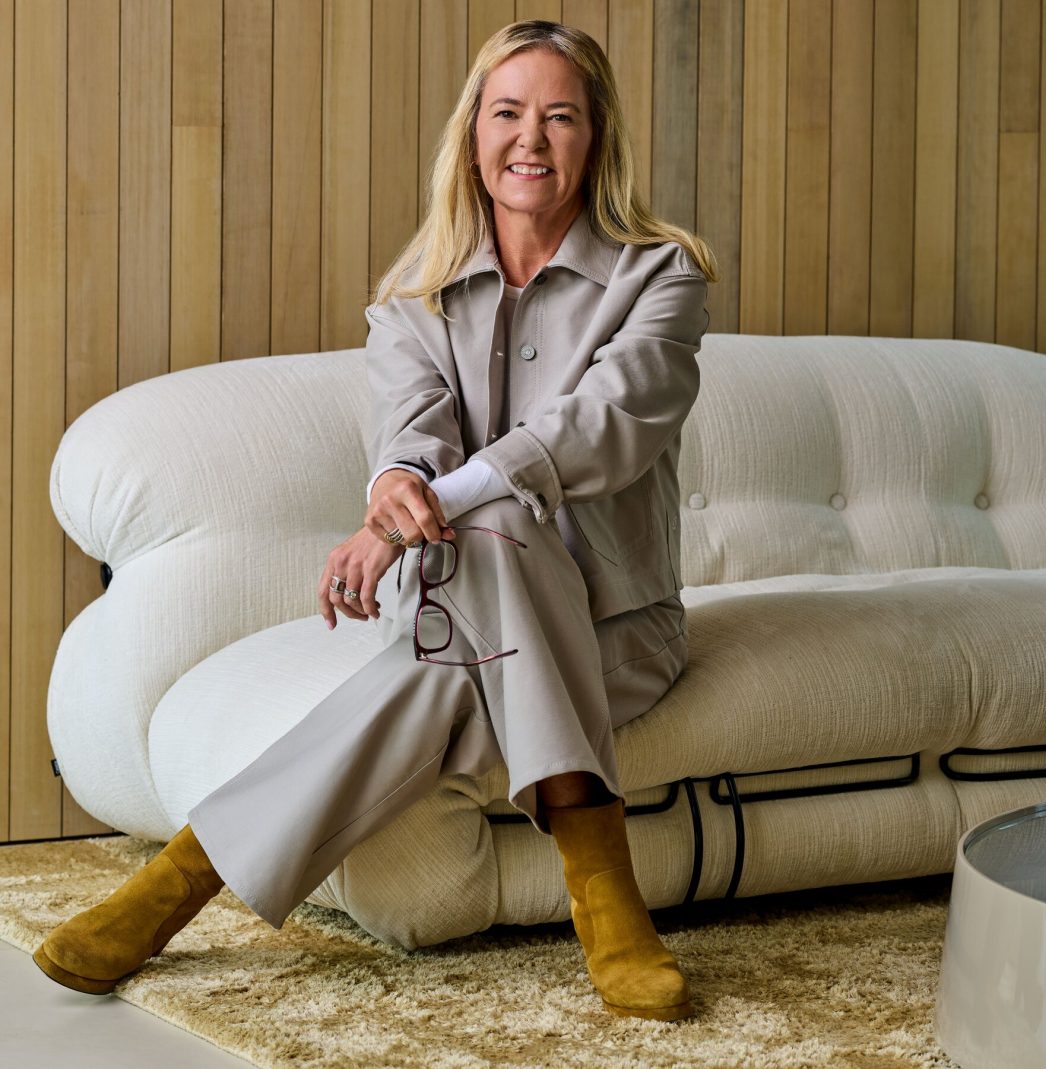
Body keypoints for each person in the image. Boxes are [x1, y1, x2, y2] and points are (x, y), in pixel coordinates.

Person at [32, 20, 718, 1022]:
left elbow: (599, 431)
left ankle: (176, 883)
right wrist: (399, 483)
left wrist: (413, 516)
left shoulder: (661, 277)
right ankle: (605, 891)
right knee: (479, 561)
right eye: (508, 113)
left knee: (489, 536)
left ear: (597, 136)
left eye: (561, 116)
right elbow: (409, 431)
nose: (531, 139)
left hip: (618, 632)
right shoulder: (414, 298)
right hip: (454, 619)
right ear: (473, 134)